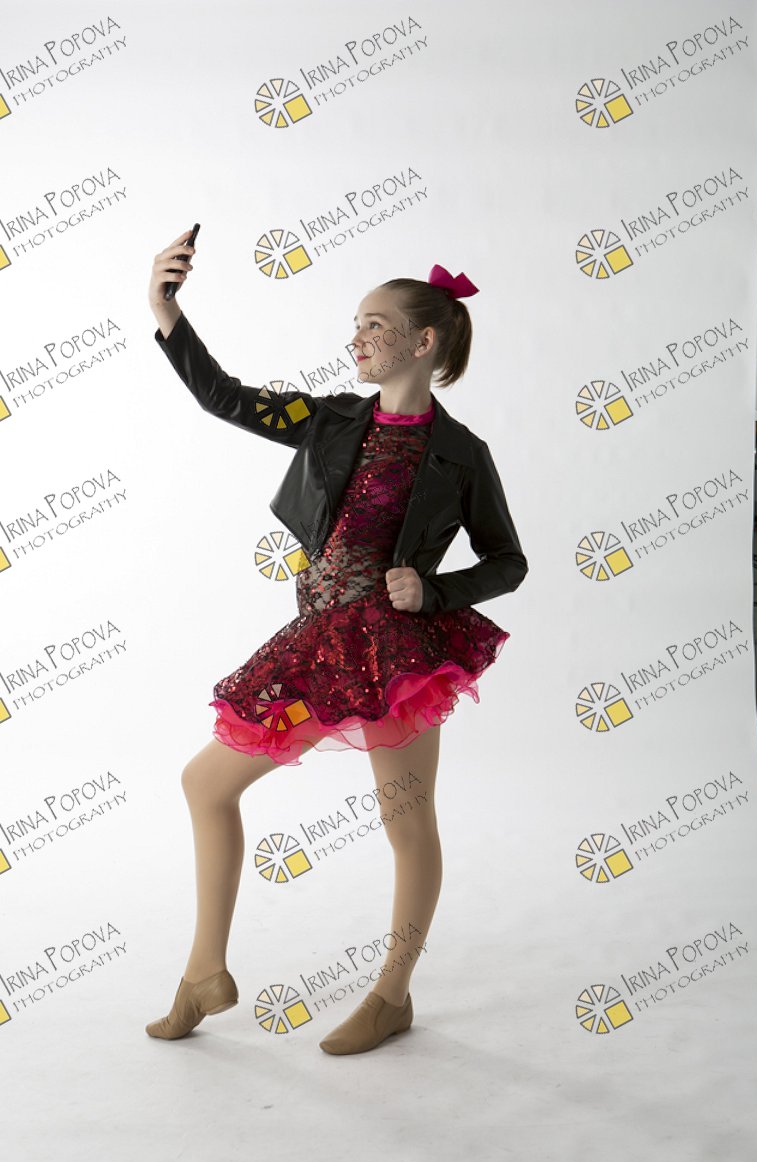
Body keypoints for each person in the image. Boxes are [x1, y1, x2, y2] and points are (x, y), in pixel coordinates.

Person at [144, 227, 528, 1054]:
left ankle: (392, 994)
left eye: (373, 326)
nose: (355, 339)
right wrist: (167, 311)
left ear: (423, 343)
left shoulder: (462, 454)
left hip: (398, 655)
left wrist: (434, 590)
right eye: (355, 325)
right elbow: (226, 397)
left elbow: (509, 561)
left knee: (406, 818)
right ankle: (204, 971)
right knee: (206, 782)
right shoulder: (324, 419)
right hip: (318, 643)